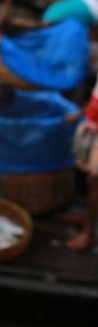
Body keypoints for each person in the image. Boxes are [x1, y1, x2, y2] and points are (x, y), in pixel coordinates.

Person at [64, 75, 98, 251]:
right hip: (92, 130)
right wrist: (79, 114)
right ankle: (87, 217)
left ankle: (88, 233)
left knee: (95, 186)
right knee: (89, 181)